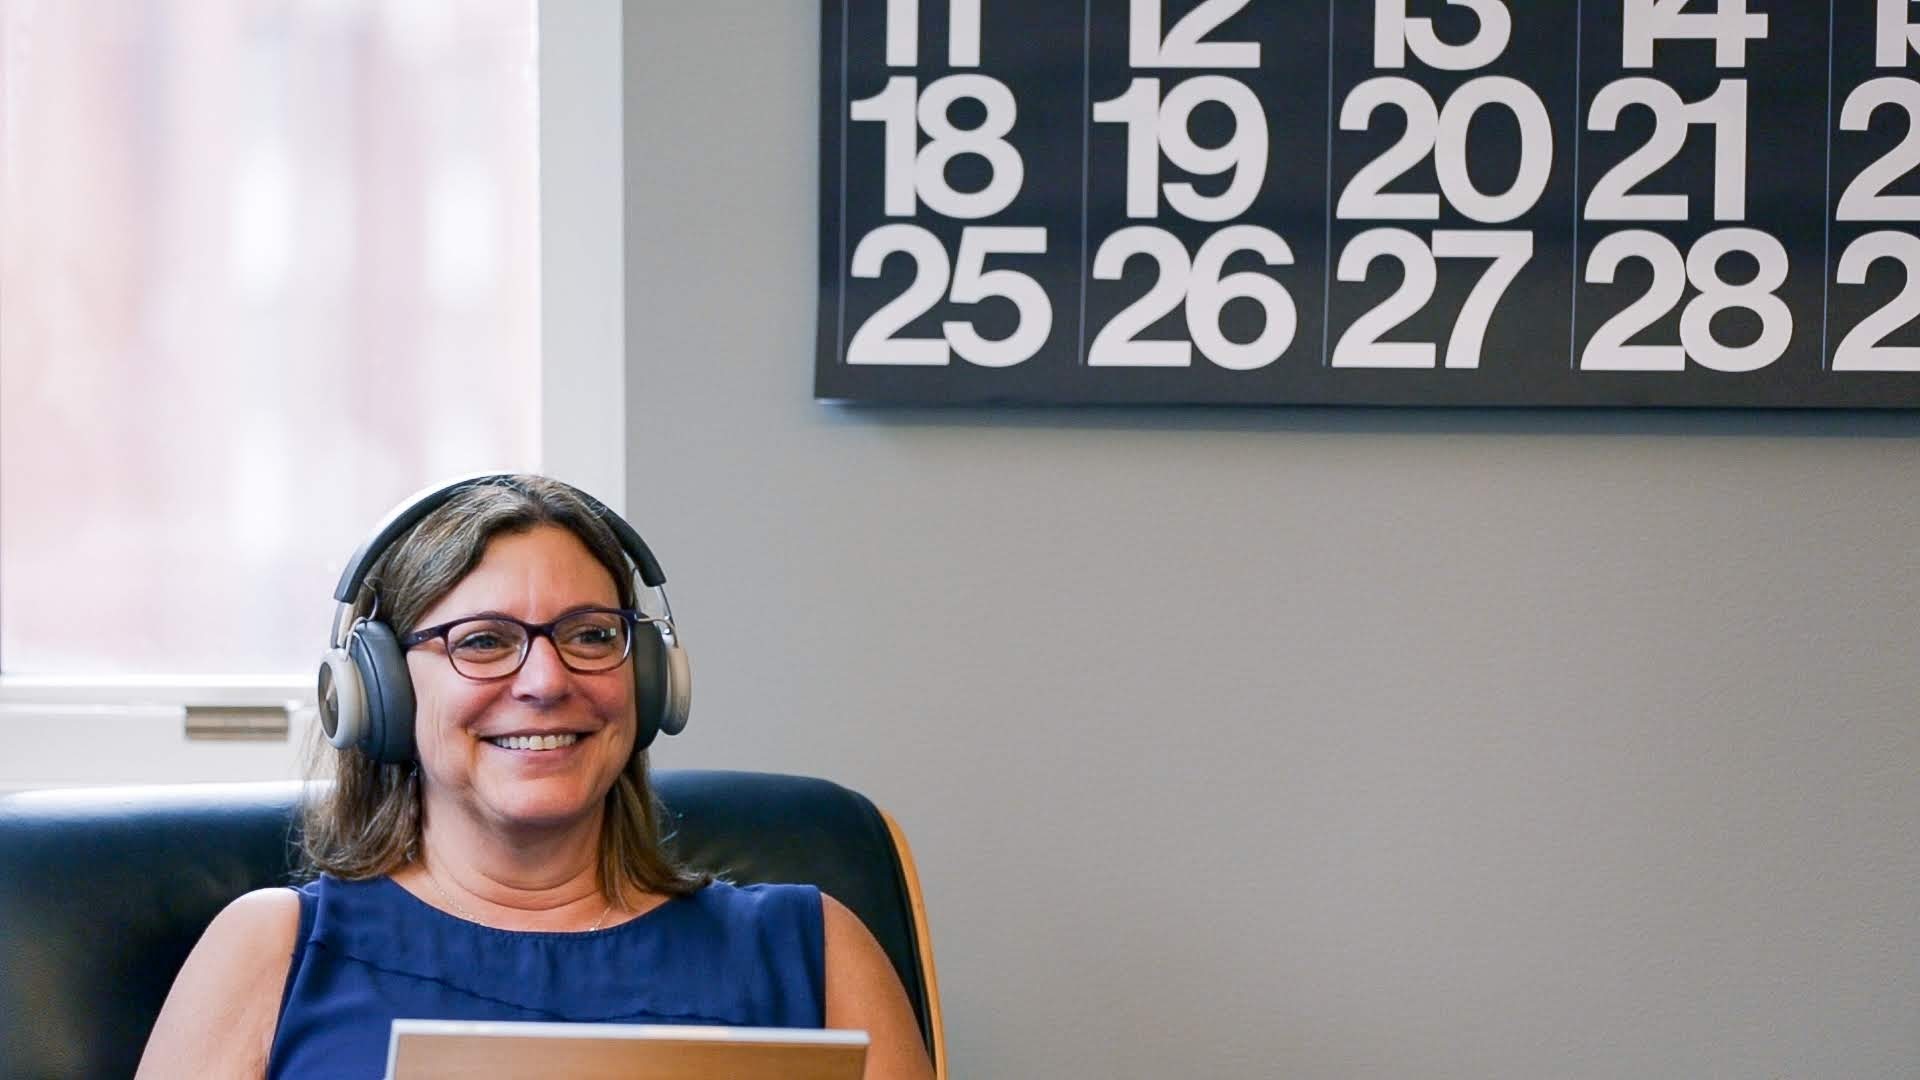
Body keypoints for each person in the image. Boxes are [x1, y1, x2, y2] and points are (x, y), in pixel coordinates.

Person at [136, 475, 933, 1078]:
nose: (546, 681)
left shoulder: (814, 951)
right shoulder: (272, 951)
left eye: (590, 634)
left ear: (650, 679)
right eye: (482, 641)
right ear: (381, 691)